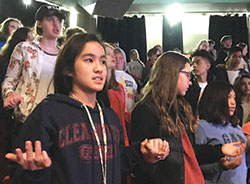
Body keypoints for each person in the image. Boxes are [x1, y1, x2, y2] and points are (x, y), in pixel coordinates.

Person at [5, 33, 170, 184]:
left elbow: (117, 168)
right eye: (89, 60)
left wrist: (144, 154)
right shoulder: (49, 113)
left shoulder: (109, 116)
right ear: (68, 69)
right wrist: (34, 172)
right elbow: (20, 174)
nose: (99, 68)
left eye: (103, 61)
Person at [1, 5, 66, 143]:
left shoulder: (65, 56)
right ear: (39, 23)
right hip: (26, 119)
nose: (56, 24)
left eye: (59, 20)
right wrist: (9, 94)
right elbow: (9, 81)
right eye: (50, 19)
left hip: (54, 122)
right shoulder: (24, 48)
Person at [195, 81, 247, 183]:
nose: (233, 102)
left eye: (234, 98)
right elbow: (194, 166)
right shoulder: (202, 127)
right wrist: (220, 166)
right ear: (216, 98)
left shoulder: (236, 127)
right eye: (228, 97)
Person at [105, 43, 130, 146]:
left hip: (120, 135)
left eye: (113, 54)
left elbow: (122, 114)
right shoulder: (96, 87)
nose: (113, 56)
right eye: (108, 54)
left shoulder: (119, 87)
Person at [184, 50, 214, 116]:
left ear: (208, 66)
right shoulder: (187, 86)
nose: (194, 65)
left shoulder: (214, 86)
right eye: (192, 63)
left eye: (198, 62)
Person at [114, 48, 137, 112]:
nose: (118, 60)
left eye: (120, 58)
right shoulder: (109, 76)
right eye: (115, 58)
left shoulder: (130, 78)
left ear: (124, 61)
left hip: (130, 113)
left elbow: (135, 94)